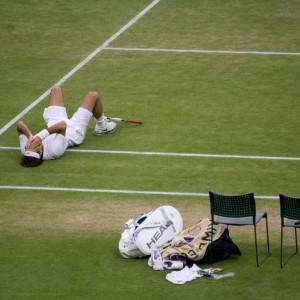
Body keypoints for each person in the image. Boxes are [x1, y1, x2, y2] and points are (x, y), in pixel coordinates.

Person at [17, 86, 116, 167]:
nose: (30, 145)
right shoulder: (54, 151)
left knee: (55, 89)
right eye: (34, 146)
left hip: (55, 125)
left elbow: (20, 125)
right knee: (93, 95)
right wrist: (39, 137)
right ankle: (102, 126)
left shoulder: (26, 149)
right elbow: (63, 126)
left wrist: (30, 136)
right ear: (41, 152)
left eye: (28, 147)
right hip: (73, 131)